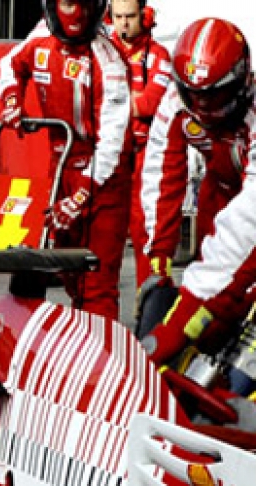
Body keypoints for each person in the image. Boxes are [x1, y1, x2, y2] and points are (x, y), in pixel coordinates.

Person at [0, 0, 133, 320]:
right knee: (59, 270)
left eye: (86, 4)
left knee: (95, 281)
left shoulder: (110, 61)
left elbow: (113, 147)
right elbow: (9, 65)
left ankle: (98, 347)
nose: (78, 14)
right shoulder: (40, 37)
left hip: (103, 181)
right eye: (70, 2)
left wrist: (81, 196)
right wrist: (12, 99)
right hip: (59, 170)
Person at [139, 18, 256, 368]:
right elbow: (160, 176)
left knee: (232, 306)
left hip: (247, 208)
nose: (201, 105)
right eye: (194, 93)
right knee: (203, 325)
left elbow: (248, 223)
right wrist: (158, 258)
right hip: (217, 199)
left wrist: (190, 308)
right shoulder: (176, 102)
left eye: (213, 94)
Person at [108, 0, 172, 291]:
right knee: (104, 232)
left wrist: (112, 103)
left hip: (145, 155)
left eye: (130, 16)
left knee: (146, 230)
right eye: (118, 17)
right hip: (110, 155)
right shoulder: (102, 51)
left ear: (145, 16)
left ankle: (148, 299)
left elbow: (148, 104)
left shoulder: (159, 56)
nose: (123, 23)